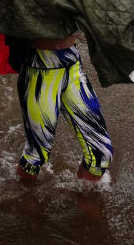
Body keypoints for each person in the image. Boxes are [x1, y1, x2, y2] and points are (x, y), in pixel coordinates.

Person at [15, 33, 114, 183]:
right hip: (38, 69)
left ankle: (87, 197)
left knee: (101, 154)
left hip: (72, 65)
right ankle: (24, 197)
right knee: (36, 156)